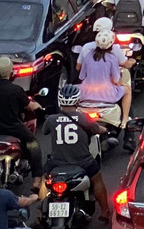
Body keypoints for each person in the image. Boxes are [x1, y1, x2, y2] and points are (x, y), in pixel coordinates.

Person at [42, 83, 111, 220]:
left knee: (45, 181)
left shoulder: (51, 119)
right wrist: (105, 130)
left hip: (57, 162)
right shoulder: (84, 118)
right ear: (77, 100)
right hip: (83, 161)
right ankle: (105, 211)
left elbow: (44, 131)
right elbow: (98, 130)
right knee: (97, 179)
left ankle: (40, 214)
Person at [0, 56, 44, 193]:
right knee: (33, 144)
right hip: (13, 128)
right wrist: (39, 106)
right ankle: (37, 180)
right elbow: (29, 106)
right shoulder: (16, 90)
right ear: (10, 72)